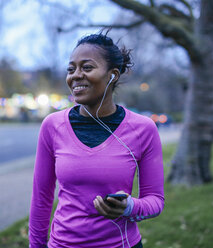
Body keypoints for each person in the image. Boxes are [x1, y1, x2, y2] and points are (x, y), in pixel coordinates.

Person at [29, 31, 164, 248]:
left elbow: (155, 200)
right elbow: (41, 198)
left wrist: (129, 207)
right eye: (71, 69)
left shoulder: (143, 129)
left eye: (87, 67)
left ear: (113, 75)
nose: (75, 75)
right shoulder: (52, 126)